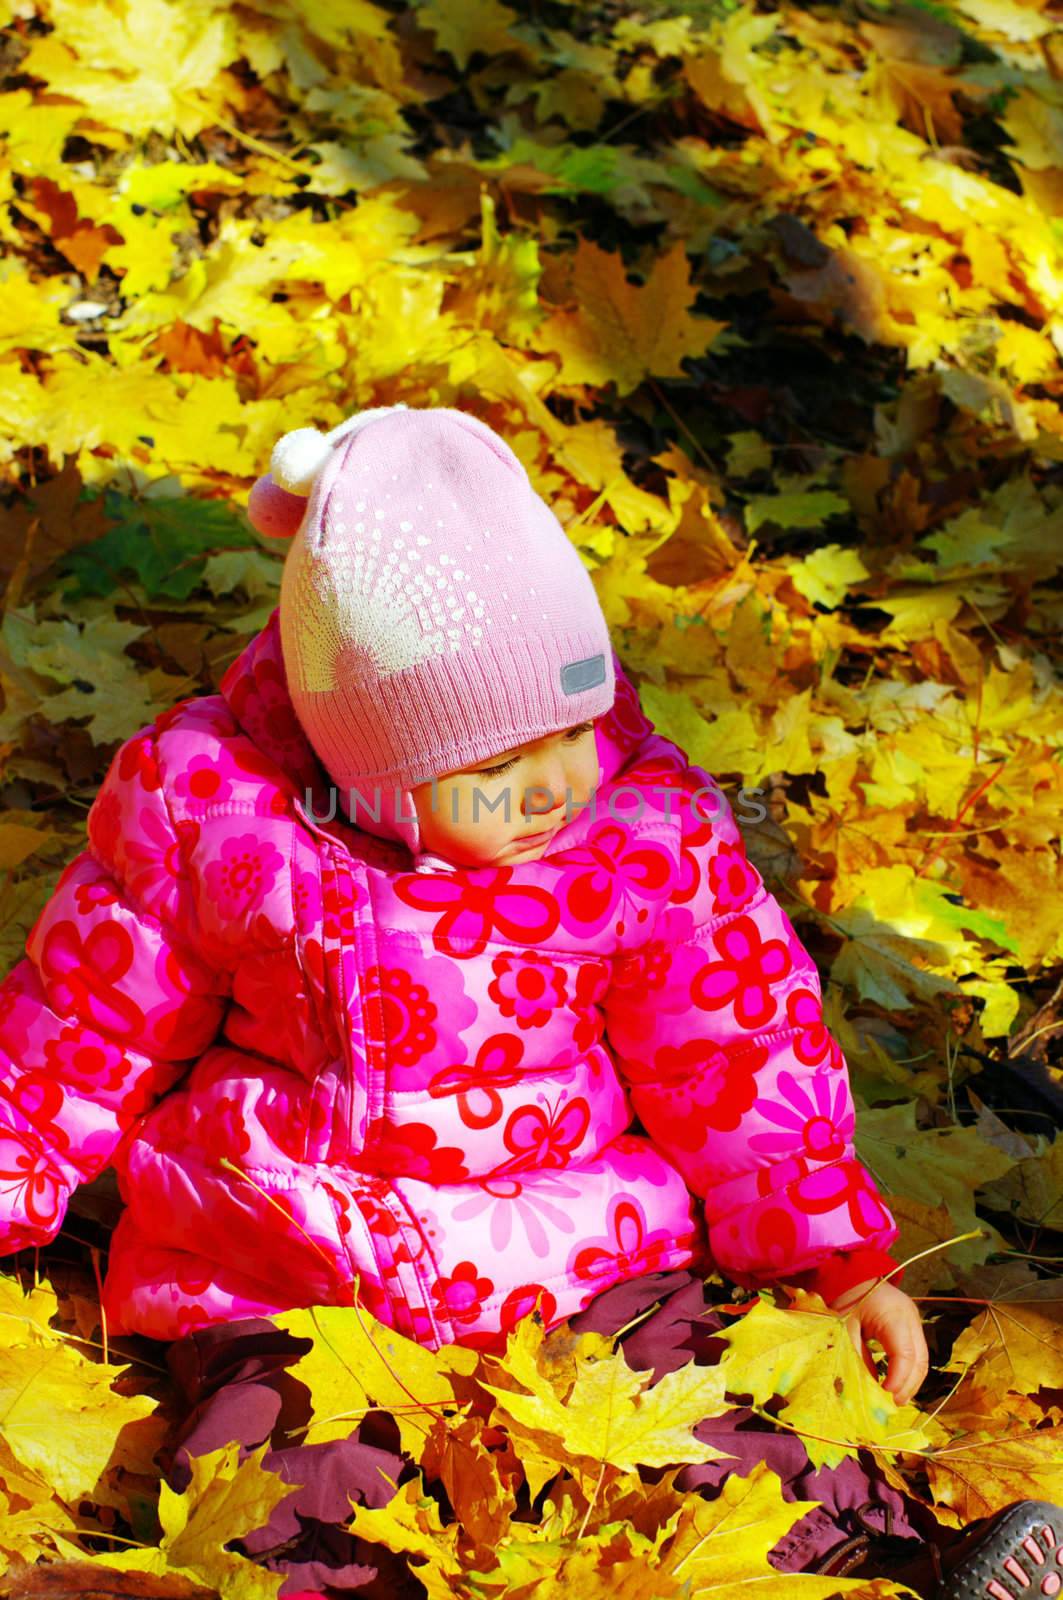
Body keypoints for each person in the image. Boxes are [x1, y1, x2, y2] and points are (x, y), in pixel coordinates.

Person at [0, 405, 1055, 1597]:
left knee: (721, 1412)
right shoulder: (225, 821)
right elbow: (82, 1023)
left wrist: (833, 1251)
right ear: (367, 760)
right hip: (296, 1255)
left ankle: (886, 1565)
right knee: (281, 1469)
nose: (553, 782)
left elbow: (735, 1043)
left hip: (588, 1248)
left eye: (573, 726)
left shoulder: (636, 830)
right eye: (495, 767)